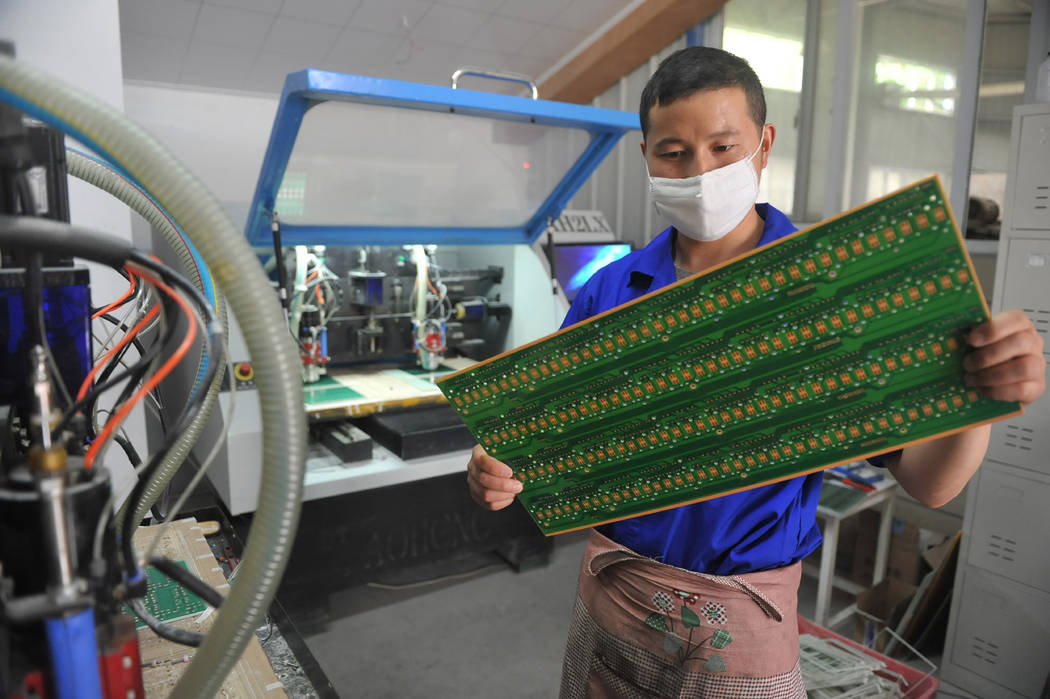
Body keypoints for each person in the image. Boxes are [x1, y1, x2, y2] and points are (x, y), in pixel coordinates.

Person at [466, 46, 1046, 698]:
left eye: (722, 146)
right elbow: (543, 442)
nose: (700, 170)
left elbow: (931, 483)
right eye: (674, 152)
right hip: (611, 598)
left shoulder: (828, 300)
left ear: (763, 145)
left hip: (742, 624)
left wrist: (982, 398)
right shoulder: (610, 293)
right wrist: (496, 464)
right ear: (646, 156)